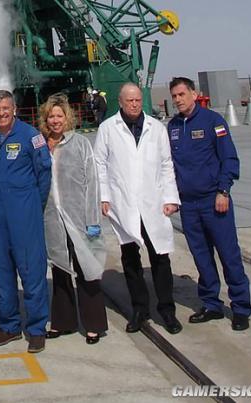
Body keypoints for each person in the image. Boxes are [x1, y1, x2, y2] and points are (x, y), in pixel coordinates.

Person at [93, 82, 182, 335]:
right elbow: (100, 164)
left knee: (160, 258)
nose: (134, 104)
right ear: (120, 102)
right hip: (123, 204)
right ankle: (140, 310)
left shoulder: (156, 128)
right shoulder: (108, 128)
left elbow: (166, 165)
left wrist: (170, 198)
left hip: (153, 203)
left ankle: (167, 310)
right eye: (129, 101)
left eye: (137, 100)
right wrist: (104, 197)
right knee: (130, 259)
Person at [168, 77, 251, 331]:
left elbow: (229, 158)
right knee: (202, 257)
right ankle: (211, 304)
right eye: (174, 96)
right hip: (189, 205)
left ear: (194, 94)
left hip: (214, 202)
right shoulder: (173, 127)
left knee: (229, 256)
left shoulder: (213, 121)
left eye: (182, 94)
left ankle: (240, 308)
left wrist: (223, 191)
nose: (178, 100)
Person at [0, 90, 52, 353]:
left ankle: (36, 329)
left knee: (31, 270)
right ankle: (9, 326)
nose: (1, 113)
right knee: (2, 271)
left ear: (14, 109)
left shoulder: (31, 136)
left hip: (25, 210)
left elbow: (44, 173)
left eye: (5, 108)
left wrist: (33, 204)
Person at [39, 93, 108, 345]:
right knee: (59, 269)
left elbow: (92, 183)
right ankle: (63, 322)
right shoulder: (40, 145)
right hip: (51, 219)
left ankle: (94, 325)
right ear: (45, 119)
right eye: (51, 116)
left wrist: (93, 220)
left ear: (67, 117)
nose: (55, 120)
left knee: (86, 269)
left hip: (78, 217)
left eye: (59, 116)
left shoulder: (80, 144)